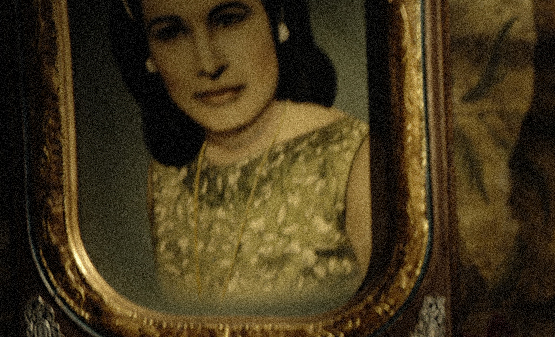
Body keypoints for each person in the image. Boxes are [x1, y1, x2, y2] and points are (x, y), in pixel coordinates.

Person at [106, 0, 370, 308]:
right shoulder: (166, 176)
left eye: (228, 20)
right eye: (171, 33)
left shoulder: (353, 158)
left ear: (277, 19)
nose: (208, 64)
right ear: (148, 54)